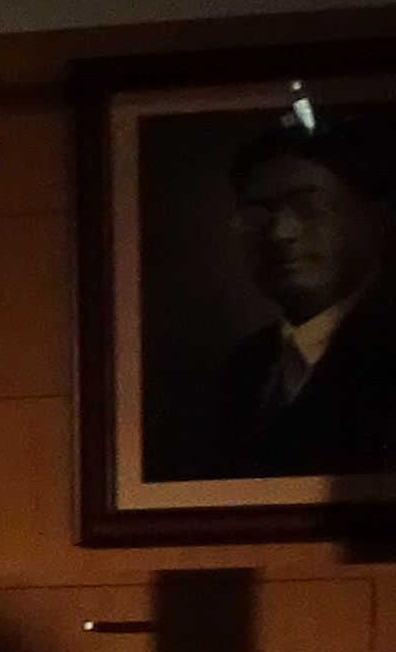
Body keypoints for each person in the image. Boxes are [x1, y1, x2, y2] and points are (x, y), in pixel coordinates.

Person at [155, 108, 396, 482]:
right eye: (257, 215)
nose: (279, 233)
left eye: (307, 208)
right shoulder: (245, 366)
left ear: (377, 218)